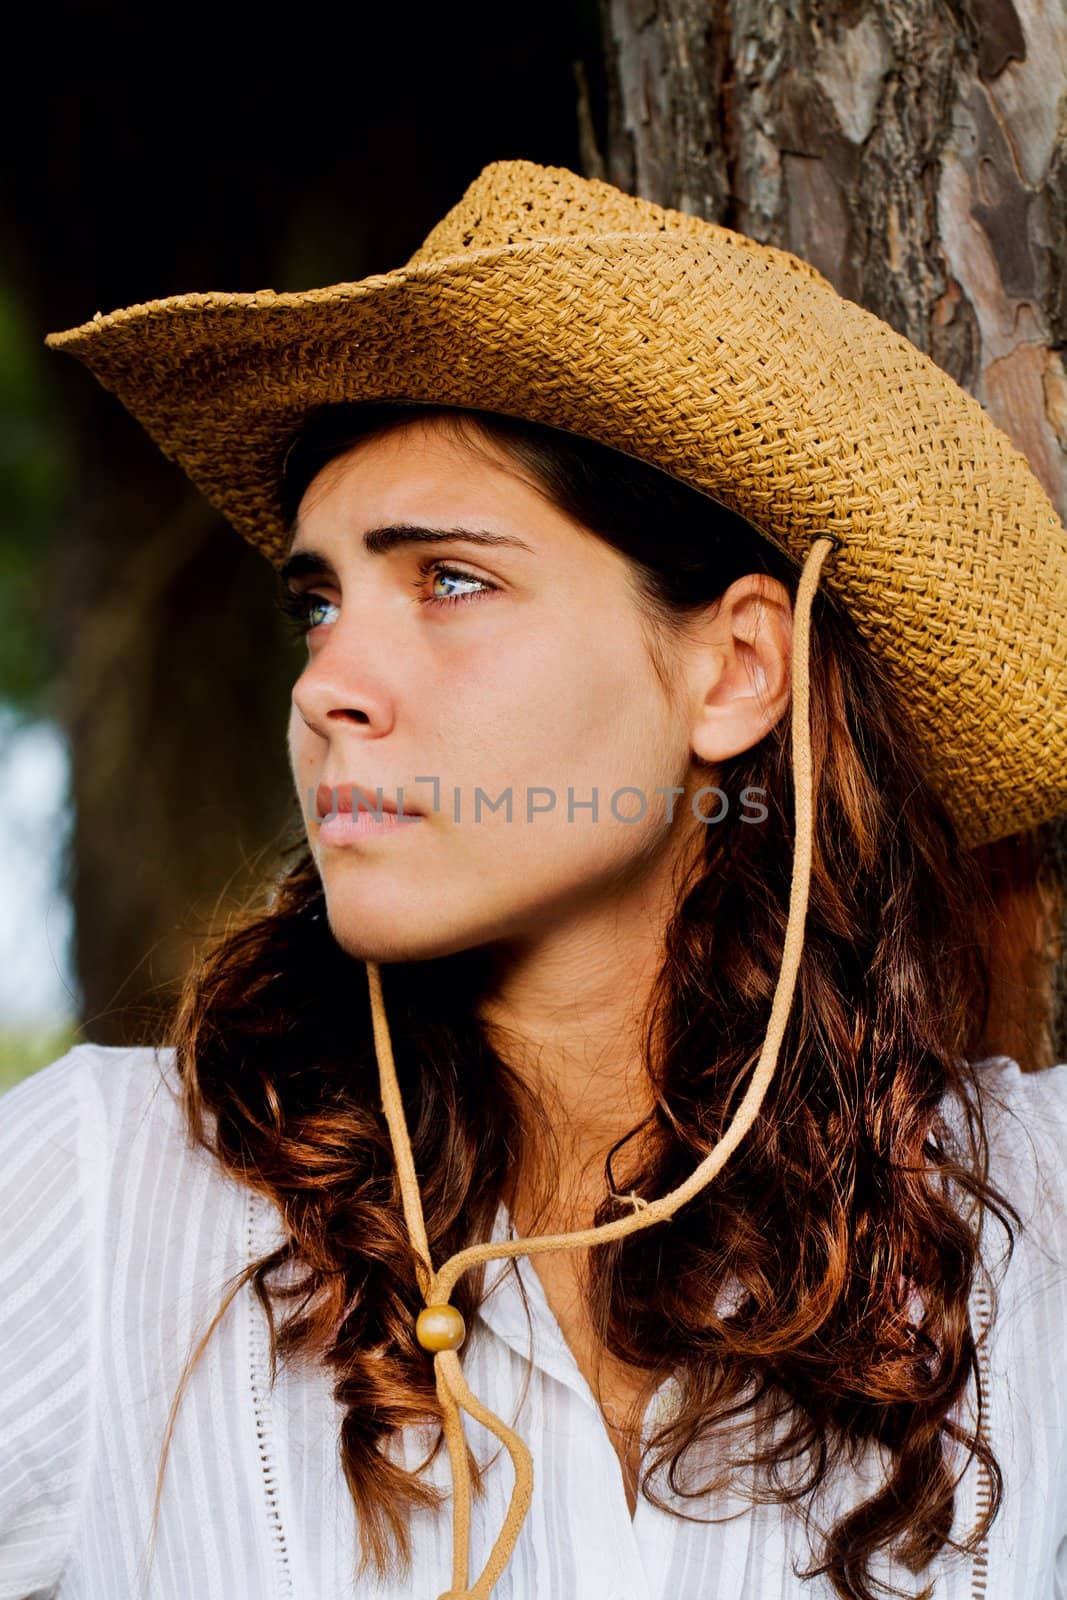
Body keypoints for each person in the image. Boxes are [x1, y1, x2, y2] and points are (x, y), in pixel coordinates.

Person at [1, 158, 1066, 1600]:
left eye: (448, 580)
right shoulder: (106, 1196)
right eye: (318, 603)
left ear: (736, 667)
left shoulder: (1027, 1230)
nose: (328, 688)